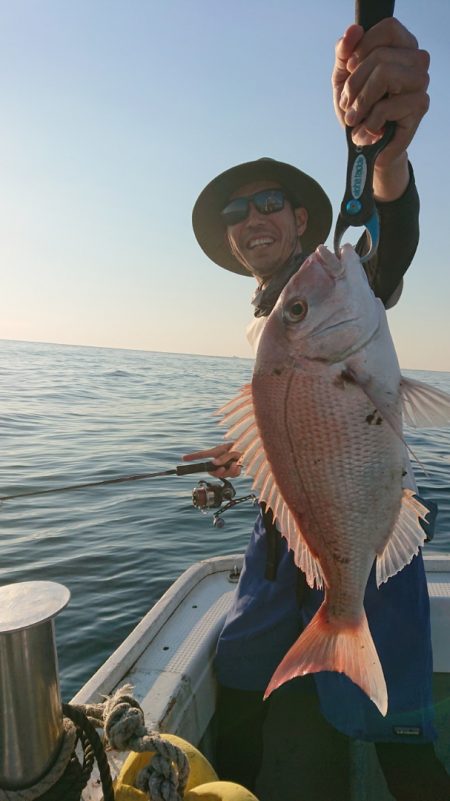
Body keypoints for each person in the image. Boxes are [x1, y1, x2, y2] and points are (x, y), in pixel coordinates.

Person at [186, 19, 450, 801]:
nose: (252, 217)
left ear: (303, 219)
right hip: (286, 533)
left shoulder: (335, 280)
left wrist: (385, 155)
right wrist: (244, 452)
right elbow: (298, 416)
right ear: (233, 243)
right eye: (237, 213)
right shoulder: (274, 317)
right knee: (238, 681)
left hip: (362, 518)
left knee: (398, 726)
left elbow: (382, 236)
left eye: (269, 201)